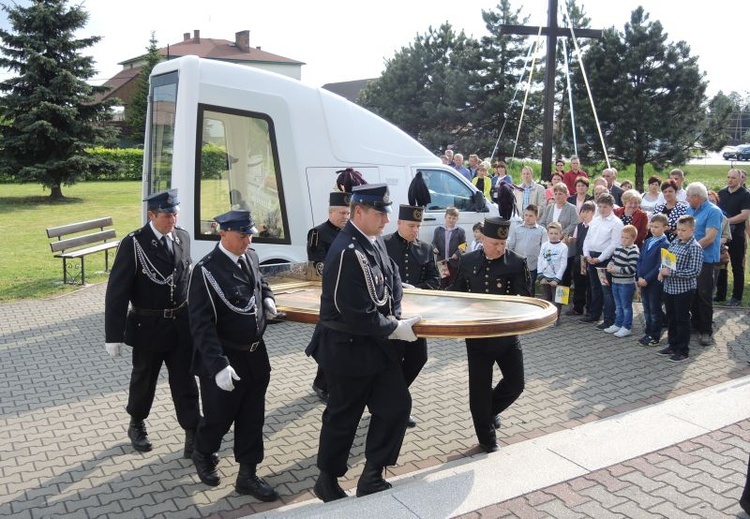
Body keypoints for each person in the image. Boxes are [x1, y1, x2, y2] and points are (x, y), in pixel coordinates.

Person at [306, 184, 421, 502]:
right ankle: (327, 480)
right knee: (344, 416)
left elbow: (392, 276)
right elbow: (355, 313)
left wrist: (395, 313)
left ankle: (372, 475)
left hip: (376, 345)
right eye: (379, 212)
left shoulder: (372, 240)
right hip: (348, 347)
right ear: (359, 212)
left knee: (396, 407)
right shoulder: (346, 251)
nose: (386, 219)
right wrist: (395, 328)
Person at [188, 210, 279, 500]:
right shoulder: (206, 270)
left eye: (250, 234)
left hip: (255, 356)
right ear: (222, 233)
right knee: (219, 418)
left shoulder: (250, 256)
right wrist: (218, 366)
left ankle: (248, 475)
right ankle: (203, 452)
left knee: (253, 418)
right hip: (225, 358)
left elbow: (259, 282)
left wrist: (268, 298)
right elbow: (201, 324)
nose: (247, 240)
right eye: (242, 236)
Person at [104, 189, 200, 457]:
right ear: (152, 215)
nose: (173, 220)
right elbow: (117, 292)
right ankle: (136, 422)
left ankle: (193, 430)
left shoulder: (182, 237)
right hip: (148, 326)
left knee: (185, 382)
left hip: (180, 325)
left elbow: (186, 280)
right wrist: (113, 335)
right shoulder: (134, 243)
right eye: (168, 215)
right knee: (144, 380)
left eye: (175, 214)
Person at [449, 217, 530, 453]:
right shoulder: (467, 261)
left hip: (506, 335)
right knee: (479, 390)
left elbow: (524, 300)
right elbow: (456, 295)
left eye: (503, 244)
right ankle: (487, 439)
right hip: (477, 337)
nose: (500, 248)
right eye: (495, 243)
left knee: (516, 384)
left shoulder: (516, 263)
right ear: (483, 239)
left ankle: (488, 412)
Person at [384, 204, 440, 428]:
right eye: (411, 225)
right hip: (391, 314)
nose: (415, 230)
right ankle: (397, 406)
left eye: (418, 226)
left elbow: (435, 280)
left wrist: (417, 289)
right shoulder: (383, 245)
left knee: (418, 358)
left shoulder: (425, 248)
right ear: (399, 224)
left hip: (416, 315)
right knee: (394, 360)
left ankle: (393, 398)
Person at [306, 191, 352, 402]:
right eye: (341, 212)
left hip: (350, 296)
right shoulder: (318, 233)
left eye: (348, 212)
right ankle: (321, 383)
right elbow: (318, 265)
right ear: (330, 211)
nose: (345, 216)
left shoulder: (351, 232)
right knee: (327, 341)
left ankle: (326, 381)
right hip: (330, 296)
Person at [657, 215, 704, 362]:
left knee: (682, 319)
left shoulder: (695, 247)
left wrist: (671, 272)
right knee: (671, 318)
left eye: (684, 230)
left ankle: (683, 350)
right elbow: (667, 261)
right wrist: (662, 271)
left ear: (692, 229)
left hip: (684, 290)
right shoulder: (675, 242)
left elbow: (694, 271)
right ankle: (672, 345)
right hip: (669, 287)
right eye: (678, 229)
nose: (680, 232)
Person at [685, 182, 723, 346]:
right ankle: (695, 324)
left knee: (704, 295)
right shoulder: (689, 210)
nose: (686, 199)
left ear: (696, 197)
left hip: (705, 260)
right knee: (692, 293)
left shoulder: (713, 211)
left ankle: (706, 331)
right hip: (690, 259)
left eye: (688, 196)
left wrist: (690, 250)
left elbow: (710, 238)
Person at [580, 194, 623, 330]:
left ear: (611, 207)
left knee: (606, 290)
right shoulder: (596, 220)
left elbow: (614, 244)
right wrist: (587, 255)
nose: (602, 209)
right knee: (595, 287)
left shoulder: (616, 223)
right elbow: (587, 239)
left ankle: (609, 319)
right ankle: (594, 314)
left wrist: (600, 258)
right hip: (591, 257)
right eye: (600, 206)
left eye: (605, 207)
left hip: (604, 259)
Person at [716, 168, 750, 306]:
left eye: (733, 178)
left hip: (737, 235)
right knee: (721, 265)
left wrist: (726, 221)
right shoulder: (722, 193)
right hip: (722, 235)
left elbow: (744, 215)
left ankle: (736, 297)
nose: (730, 180)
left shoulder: (745, 195)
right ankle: (720, 294)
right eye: (728, 177)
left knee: (737, 266)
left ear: (740, 178)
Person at [636, 214, 669, 347]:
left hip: (655, 282)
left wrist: (647, 279)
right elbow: (640, 259)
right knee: (646, 307)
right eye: (652, 226)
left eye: (657, 227)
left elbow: (659, 266)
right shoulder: (648, 241)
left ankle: (655, 335)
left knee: (654, 308)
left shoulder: (665, 244)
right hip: (643, 280)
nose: (653, 229)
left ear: (665, 228)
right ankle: (648, 331)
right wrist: (639, 276)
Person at [604, 225, 640, 338]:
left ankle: (627, 327)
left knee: (626, 306)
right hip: (615, 281)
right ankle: (618, 324)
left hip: (626, 283)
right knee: (618, 305)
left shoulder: (633, 251)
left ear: (633, 238)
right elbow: (613, 259)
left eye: (627, 238)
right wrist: (610, 265)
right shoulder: (619, 248)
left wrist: (617, 269)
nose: (623, 240)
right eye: (622, 237)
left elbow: (632, 269)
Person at [539, 183, 578, 285]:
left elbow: (575, 223)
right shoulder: (549, 207)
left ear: (566, 195)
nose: (557, 196)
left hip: (565, 245)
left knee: (564, 276)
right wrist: (549, 233)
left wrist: (561, 234)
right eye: (555, 193)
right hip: (549, 245)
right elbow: (542, 222)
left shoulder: (571, 208)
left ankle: (561, 300)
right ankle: (549, 298)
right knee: (550, 273)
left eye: (560, 193)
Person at [506, 205, 546, 296]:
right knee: (516, 286)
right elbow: (511, 246)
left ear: (536, 217)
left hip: (532, 265)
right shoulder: (517, 229)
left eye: (531, 216)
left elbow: (544, 249)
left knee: (530, 288)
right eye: (526, 215)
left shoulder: (541, 231)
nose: (527, 218)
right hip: (517, 264)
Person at [565, 201, 596, 316]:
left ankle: (590, 309)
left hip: (590, 258)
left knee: (590, 284)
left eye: (588, 211)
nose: (585, 214)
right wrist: (571, 240)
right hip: (579, 258)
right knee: (579, 283)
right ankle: (578, 307)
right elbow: (576, 239)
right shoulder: (579, 226)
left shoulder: (595, 226)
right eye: (583, 211)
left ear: (593, 213)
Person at [537, 222, 568, 324]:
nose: (553, 236)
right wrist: (540, 276)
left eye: (556, 233)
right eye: (551, 233)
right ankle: (545, 318)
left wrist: (557, 279)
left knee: (558, 300)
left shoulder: (563, 247)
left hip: (557, 279)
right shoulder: (545, 245)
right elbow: (540, 260)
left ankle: (556, 319)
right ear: (548, 233)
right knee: (546, 299)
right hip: (545, 277)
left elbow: (563, 264)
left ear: (560, 234)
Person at [431, 207, 467, 289]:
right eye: (449, 218)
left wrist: (457, 254)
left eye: (454, 218)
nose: (451, 220)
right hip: (442, 261)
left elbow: (463, 245)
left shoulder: (460, 231)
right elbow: (434, 242)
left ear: (457, 219)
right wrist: (434, 248)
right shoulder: (439, 230)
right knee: (443, 281)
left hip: (454, 262)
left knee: (452, 282)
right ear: (445, 217)